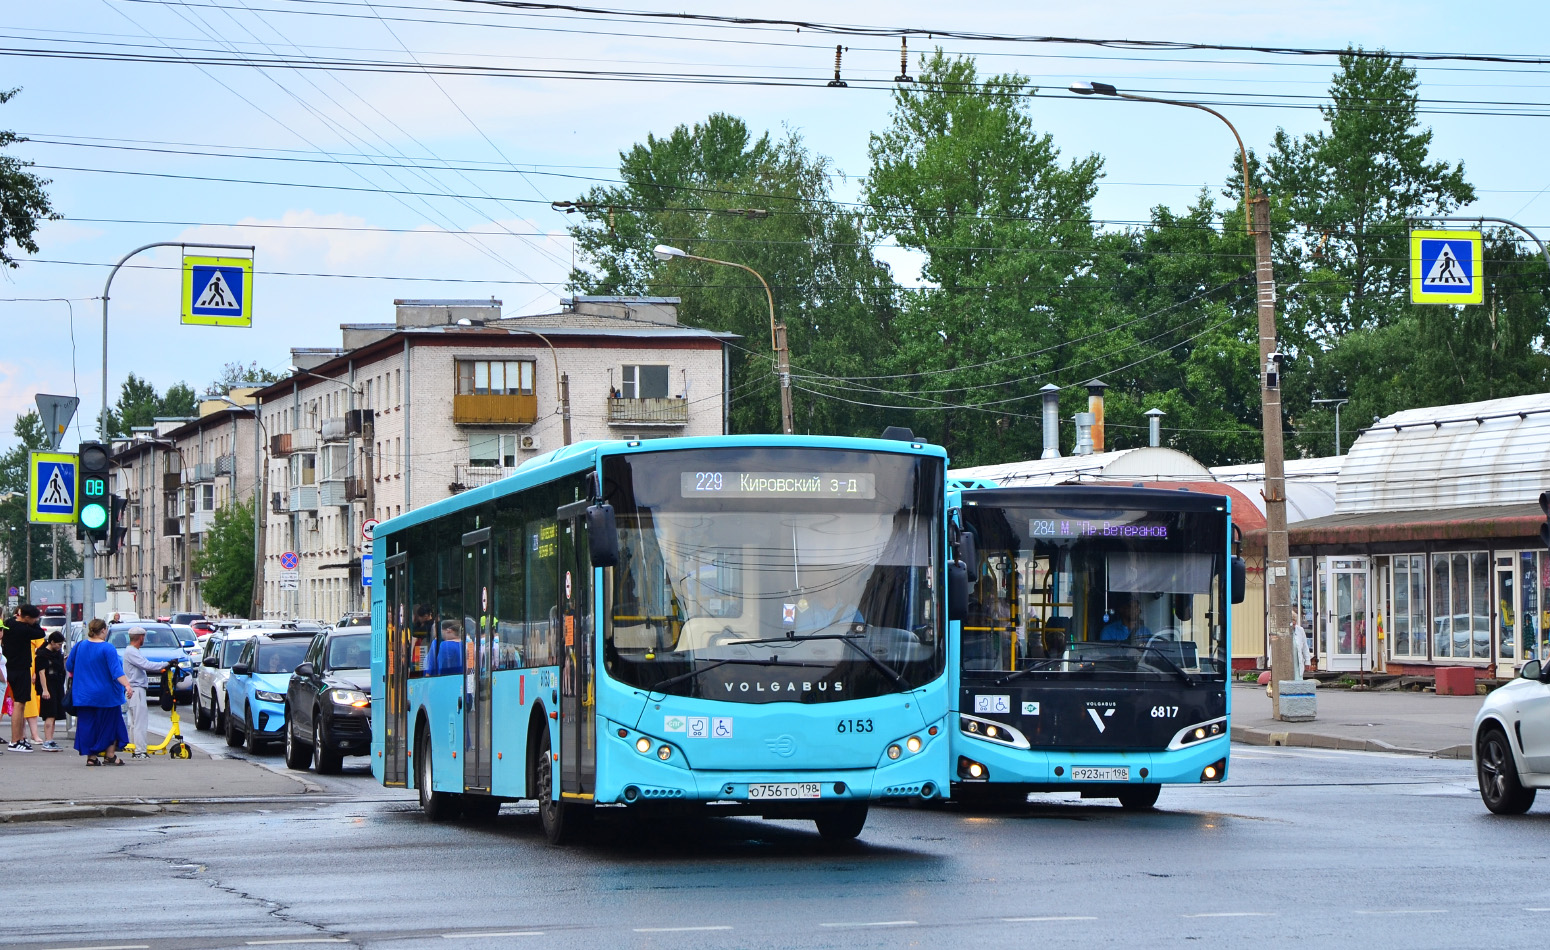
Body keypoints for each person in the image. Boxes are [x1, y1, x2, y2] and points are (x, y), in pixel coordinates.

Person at [65, 618, 131, 766]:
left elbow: (69, 666)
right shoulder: (108, 648)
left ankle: (91, 758)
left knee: (88, 726)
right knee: (110, 725)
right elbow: (116, 671)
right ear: (103, 630)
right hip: (106, 696)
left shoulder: (79, 646)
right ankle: (110, 755)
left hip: (83, 695)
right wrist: (127, 685)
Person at [122, 626, 169, 758]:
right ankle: (140, 751)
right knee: (140, 722)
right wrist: (165, 664)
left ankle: (136, 748)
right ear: (141, 638)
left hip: (134, 689)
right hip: (136, 689)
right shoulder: (132, 652)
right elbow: (146, 665)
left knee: (135, 722)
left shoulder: (131, 651)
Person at [3, 604, 44, 751]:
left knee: (20, 704)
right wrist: (31, 624)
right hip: (20, 669)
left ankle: (20, 738)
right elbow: (40, 633)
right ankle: (15, 741)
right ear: (26, 617)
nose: (35, 621)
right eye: (33, 619)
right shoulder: (23, 629)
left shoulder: (10, 623)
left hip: (11, 668)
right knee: (19, 705)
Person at [34, 632, 66, 751]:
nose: (59, 646)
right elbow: (41, 673)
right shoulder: (42, 655)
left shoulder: (57, 654)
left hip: (57, 684)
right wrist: (45, 690)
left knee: (55, 713)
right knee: (50, 713)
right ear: (52, 642)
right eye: (58, 644)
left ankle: (51, 739)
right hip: (49, 684)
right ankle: (47, 740)